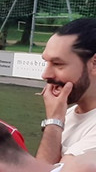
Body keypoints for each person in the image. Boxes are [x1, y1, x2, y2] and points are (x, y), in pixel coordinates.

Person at [36, 18, 96, 164]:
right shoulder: (67, 114)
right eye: (46, 62)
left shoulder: (59, 119)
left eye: (57, 64)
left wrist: (53, 122)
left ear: (94, 64)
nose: (45, 74)